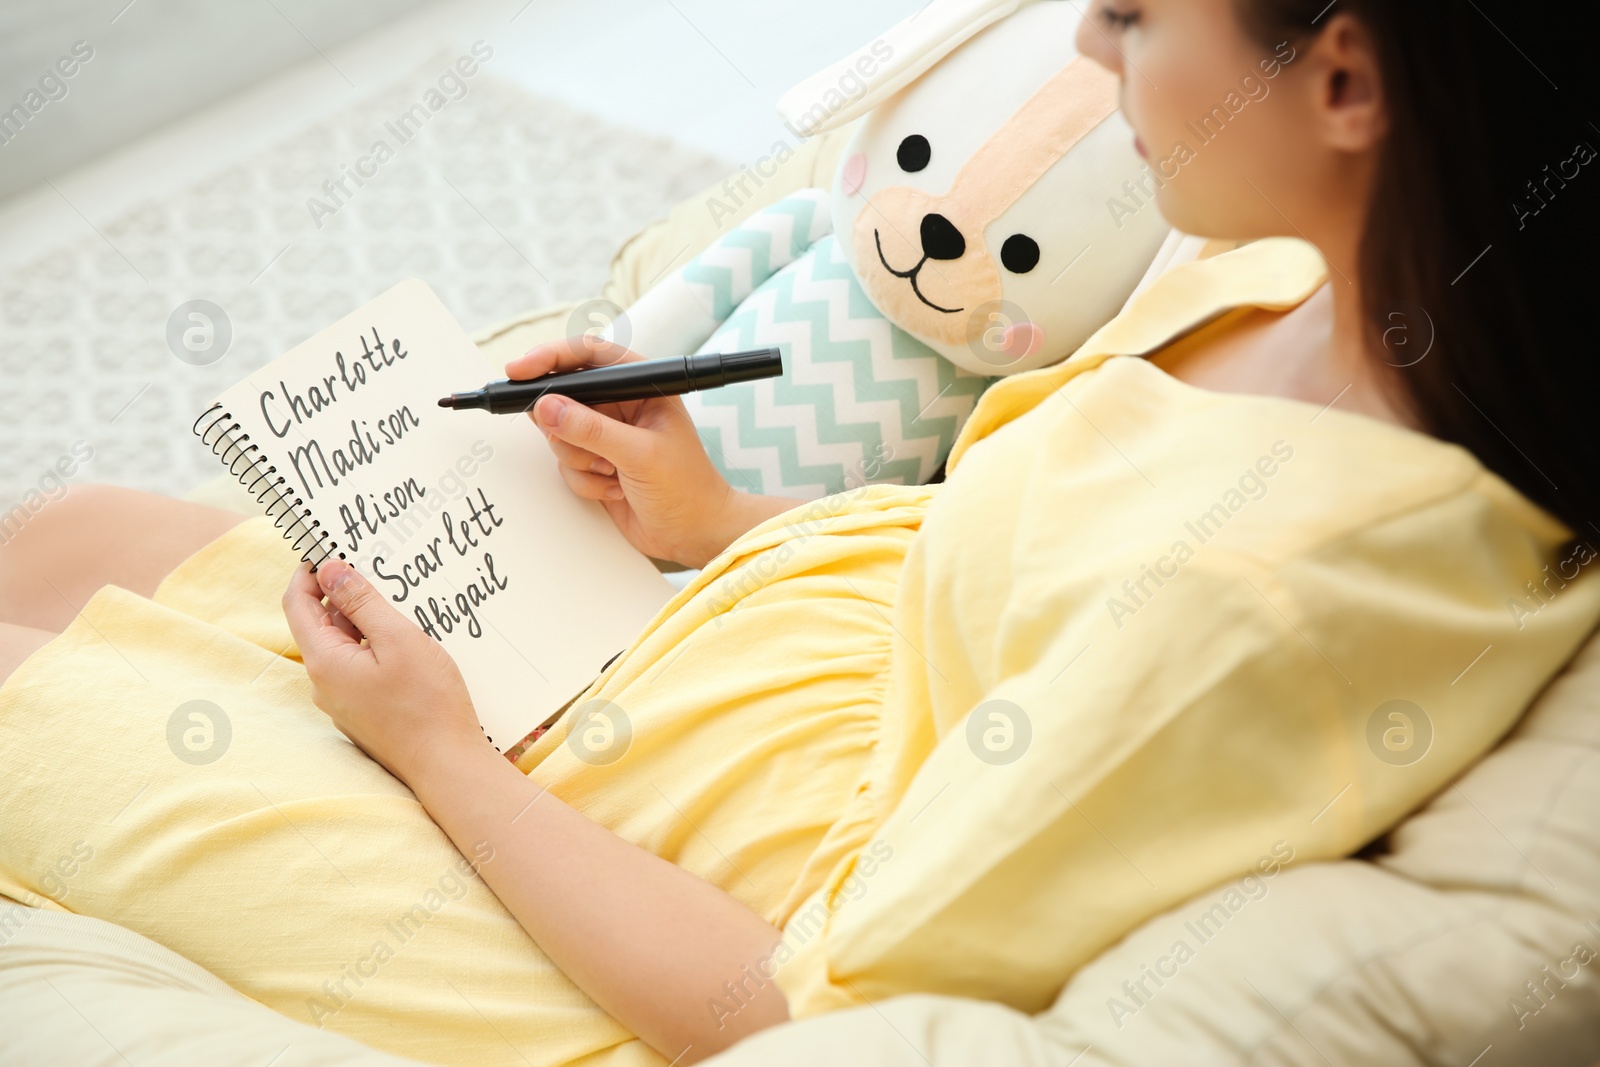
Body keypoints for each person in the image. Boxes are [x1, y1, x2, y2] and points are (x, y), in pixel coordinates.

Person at [2, 1, 1596, 1064]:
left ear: (1345, 80)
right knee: (66, 536)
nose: (1093, 54)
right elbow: (994, 565)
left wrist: (442, 757)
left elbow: (788, 1005)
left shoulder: (1265, 606)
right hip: (731, 633)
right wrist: (717, 518)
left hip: (681, 848)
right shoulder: (1290, 283)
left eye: (1132, 16)